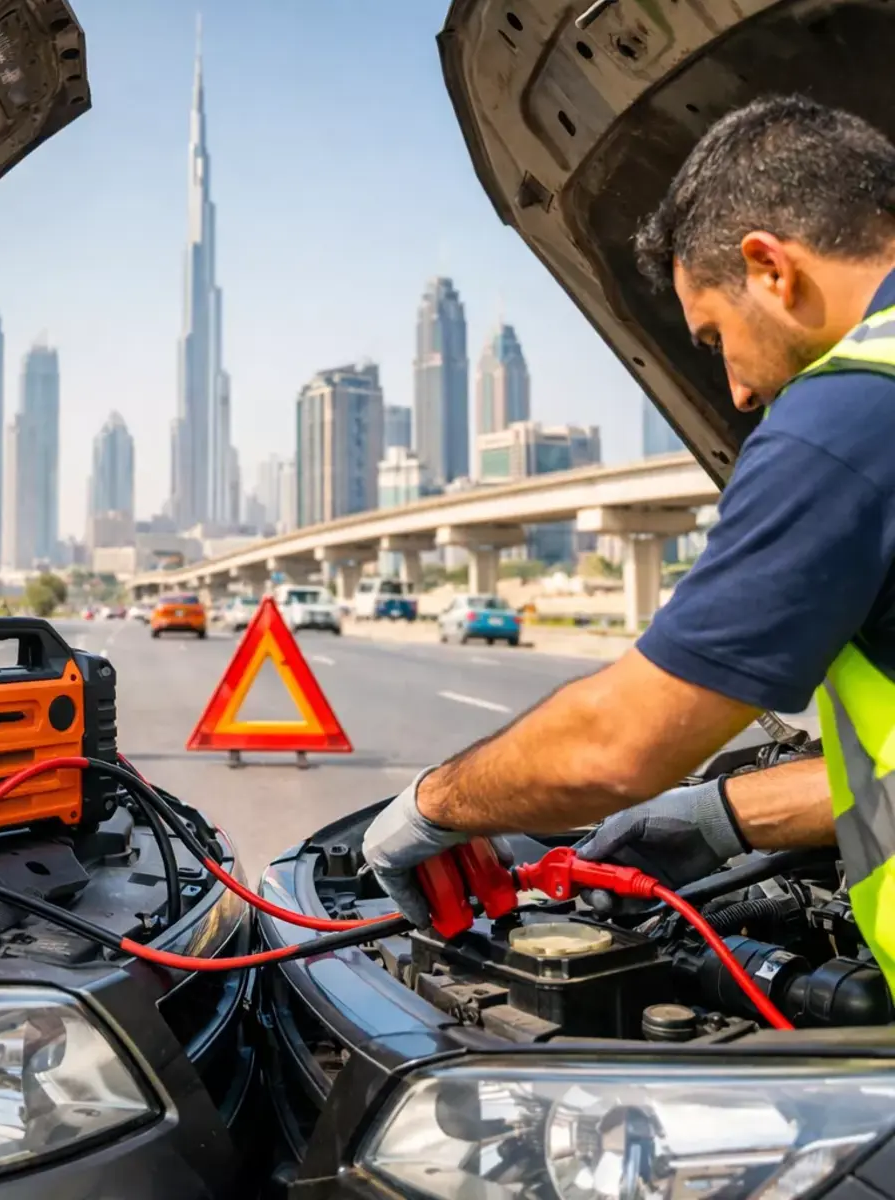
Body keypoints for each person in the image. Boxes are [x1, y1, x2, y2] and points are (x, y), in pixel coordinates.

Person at [363, 95, 895, 989]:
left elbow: (621, 745)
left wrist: (433, 807)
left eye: (715, 338)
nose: (735, 392)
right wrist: (726, 814)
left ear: (770, 268)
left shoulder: (848, 415)